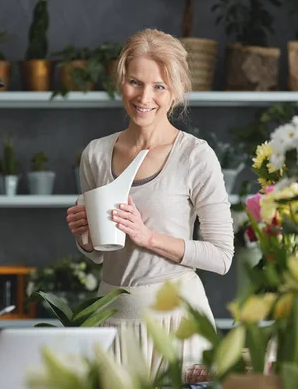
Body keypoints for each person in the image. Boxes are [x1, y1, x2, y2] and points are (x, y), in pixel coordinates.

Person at [66, 28, 234, 377]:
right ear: (121, 83)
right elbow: (100, 253)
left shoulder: (194, 157)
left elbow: (221, 257)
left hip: (179, 326)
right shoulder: (96, 154)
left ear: (176, 91)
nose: (145, 96)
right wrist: (84, 237)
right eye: (134, 82)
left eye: (159, 86)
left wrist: (148, 237)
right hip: (110, 321)